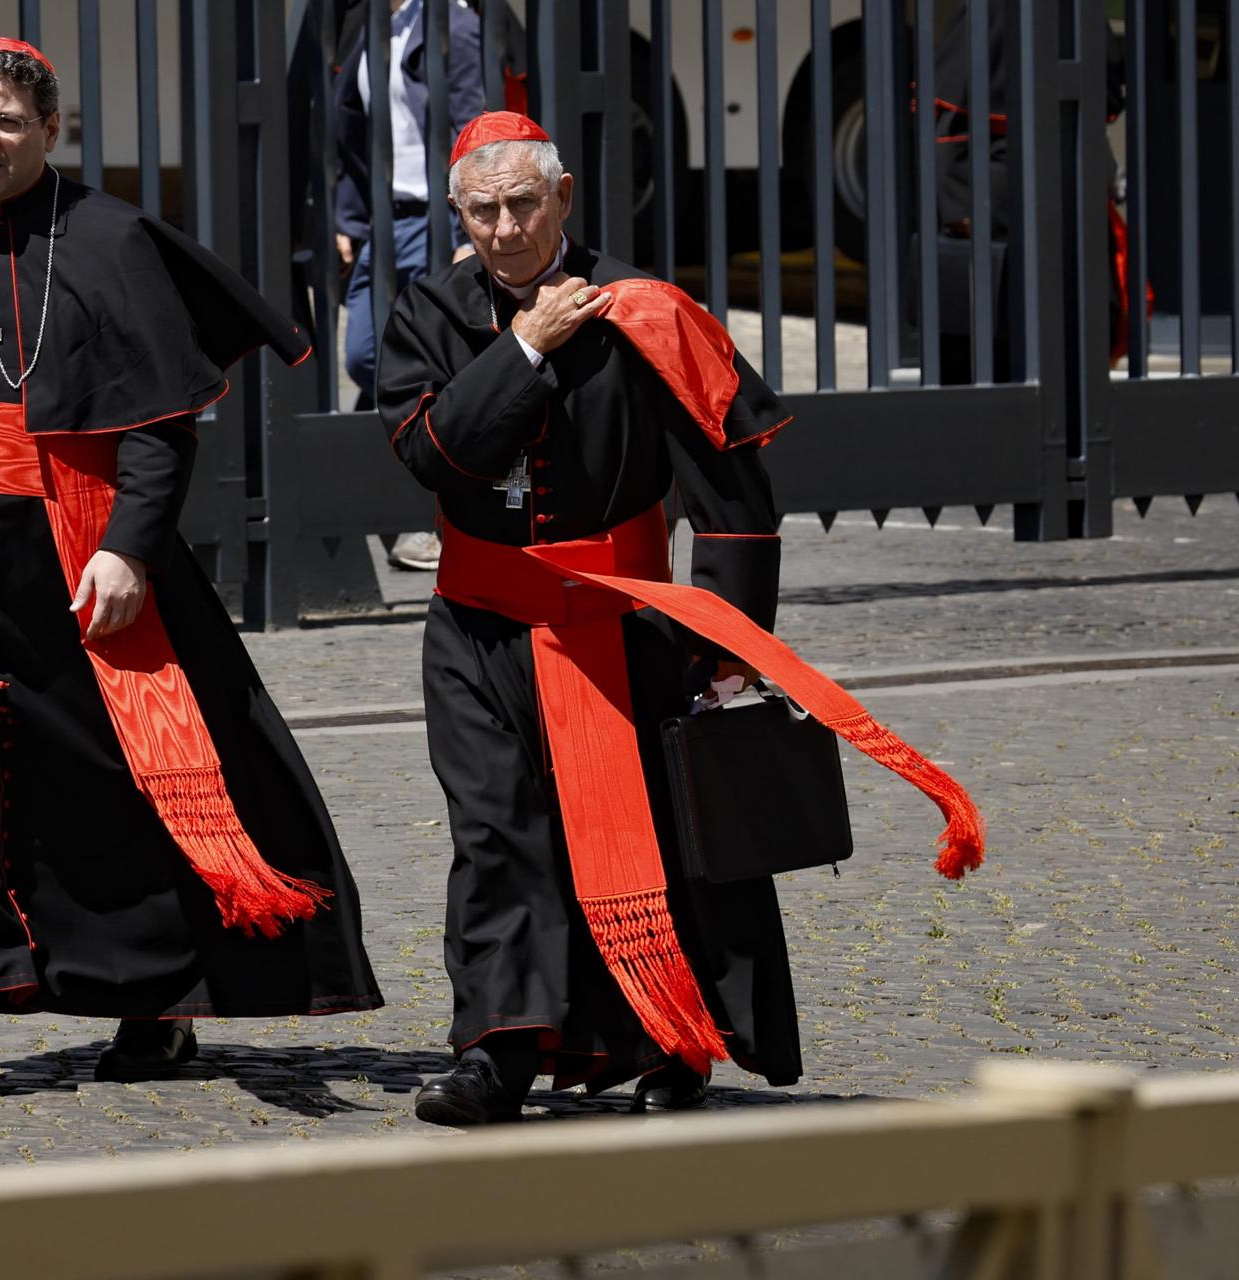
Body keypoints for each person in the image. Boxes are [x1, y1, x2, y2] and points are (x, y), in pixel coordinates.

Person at [0, 38, 381, 1100]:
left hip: (71, 544)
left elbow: (159, 428)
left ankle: (157, 1003)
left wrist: (130, 547)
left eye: (6, 123)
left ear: (50, 131)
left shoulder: (108, 241)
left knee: (108, 779)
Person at [377, 112, 985, 1126]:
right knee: (496, 838)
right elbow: (434, 456)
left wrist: (725, 649)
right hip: (480, 631)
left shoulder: (647, 309)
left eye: (524, 204)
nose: (505, 229)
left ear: (563, 199)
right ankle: (497, 1053)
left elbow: (733, 497)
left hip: (622, 623)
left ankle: (675, 1040)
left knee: (658, 838)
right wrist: (524, 347)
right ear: (457, 214)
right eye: (482, 211)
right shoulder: (428, 312)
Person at [333, 0, 484, 570]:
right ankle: (395, 498)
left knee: (428, 362)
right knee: (365, 354)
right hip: (384, 218)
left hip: (435, 217)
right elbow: (353, 131)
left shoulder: (455, 24)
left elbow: (471, 128)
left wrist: (468, 227)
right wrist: (350, 220)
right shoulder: (368, 25)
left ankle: (423, 519)